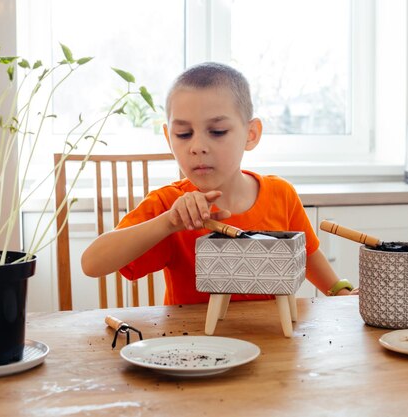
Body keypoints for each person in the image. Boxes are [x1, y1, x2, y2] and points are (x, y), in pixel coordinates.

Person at [81, 62, 357, 305]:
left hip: (273, 345)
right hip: (195, 348)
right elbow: (92, 263)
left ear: (251, 134)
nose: (198, 147)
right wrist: (169, 223)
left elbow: (306, 255)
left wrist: (340, 292)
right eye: (184, 133)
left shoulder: (280, 194)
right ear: (168, 137)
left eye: (217, 131)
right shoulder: (169, 205)